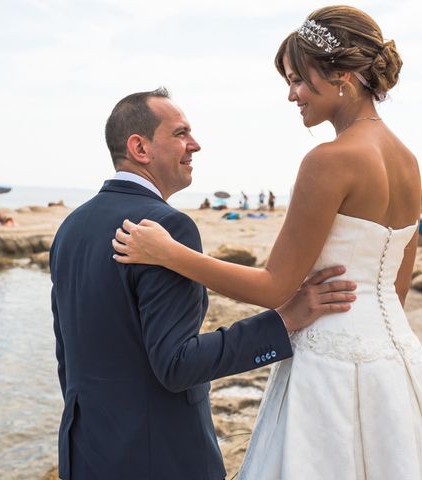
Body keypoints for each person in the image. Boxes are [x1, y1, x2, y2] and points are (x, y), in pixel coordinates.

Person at [112, 7, 422, 479]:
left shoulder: (329, 160)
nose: (291, 95)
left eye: (298, 79)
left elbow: (272, 287)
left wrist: (170, 254)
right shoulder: (408, 162)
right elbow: (398, 287)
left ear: (342, 74)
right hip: (396, 357)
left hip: (328, 361)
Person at [50, 88, 357, 480]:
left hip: (85, 453)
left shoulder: (70, 227)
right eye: (181, 133)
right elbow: (177, 364)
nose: (195, 145)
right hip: (160, 458)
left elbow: (67, 356)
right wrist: (283, 321)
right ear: (139, 148)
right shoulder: (167, 227)